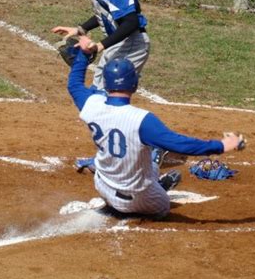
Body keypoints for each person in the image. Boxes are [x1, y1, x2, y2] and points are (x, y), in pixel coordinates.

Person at [67, 37, 245, 219]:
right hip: (140, 199)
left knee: (148, 162)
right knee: (162, 207)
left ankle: (124, 197)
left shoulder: (91, 104)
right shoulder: (142, 120)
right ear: (134, 84)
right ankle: (158, 187)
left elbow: (74, 85)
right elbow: (181, 145)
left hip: (103, 187)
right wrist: (221, 145)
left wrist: (84, 54)